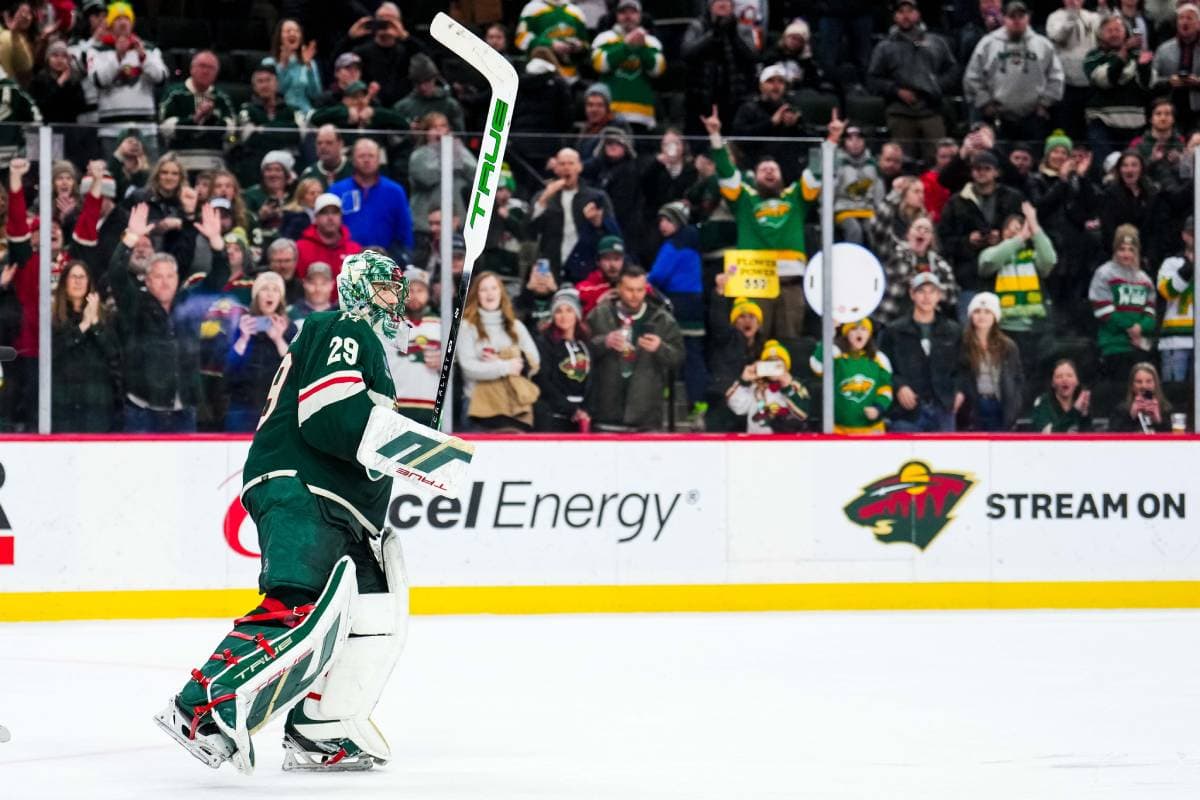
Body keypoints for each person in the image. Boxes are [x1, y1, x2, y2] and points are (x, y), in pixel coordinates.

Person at [157, 251, 415, 772]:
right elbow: (329, 414)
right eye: (387, 287)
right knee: (297, 603)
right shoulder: (344, 326)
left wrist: (414, 434)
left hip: (347, 511)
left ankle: (324, 727)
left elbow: (363, 425)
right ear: (363, 290)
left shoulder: (370, 350)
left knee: (375, 615)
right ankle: (203, 706)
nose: (397, 296)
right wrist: (411, 444)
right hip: (304, 487)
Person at [702, 104, 831, 340]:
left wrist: (829, 141)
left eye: (774, 169)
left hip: (791, 285)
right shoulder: (744, 200)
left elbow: (815, 174)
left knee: (789, 344)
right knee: (752, 343)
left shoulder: (795, 197)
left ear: (782, 176)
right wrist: (715, 137)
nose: (769, 172)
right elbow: (726, 173)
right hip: (756, 282)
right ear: (755, 176)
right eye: (764, 170)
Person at [108, 202, 230, 433]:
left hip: (184, 409)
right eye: (158, 276)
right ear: (147, 280)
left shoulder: (189, 303)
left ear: (177, 278)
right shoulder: (135, 304)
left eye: (170, 276)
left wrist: (216, 242)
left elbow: (219, 277)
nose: (165, 282)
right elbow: (116, 273)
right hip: (143, 410)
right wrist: (131, 237)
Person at [586, 265, 683, 431]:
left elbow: (678, 358)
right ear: (618, 288)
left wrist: (660, 348)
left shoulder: (663, 320)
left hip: (646, 418)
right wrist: (604, 342)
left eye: (640, 290)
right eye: (629, 289)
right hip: (605, 413)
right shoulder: (599, 314)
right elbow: (580, 353)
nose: (635, 295)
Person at [867, 0, 959, 167]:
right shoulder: (885, 47)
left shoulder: (936, 42)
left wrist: (936, 85)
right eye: (901, 12)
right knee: (901, 162)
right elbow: (873, 79)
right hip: (900, 111)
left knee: (941, 161)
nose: (905, 16)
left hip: (931, 109)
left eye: (910, 11)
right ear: (895, 17)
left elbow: (953, 71)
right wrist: (896, 90)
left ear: (918, 14)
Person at [937, 150, 1026, 320]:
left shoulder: (1013, 198)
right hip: (968, 277)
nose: (981, 172)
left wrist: (1001, 238)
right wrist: (967, 241)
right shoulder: (956, 202)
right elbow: (944, 240)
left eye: (986, 168)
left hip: (1006, 275)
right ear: (971, 172)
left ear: (996, 172)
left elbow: (1024, 231)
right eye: (977, 168)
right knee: (970, 330)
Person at [963, 1, 1065, 147]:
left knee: (1031, 159)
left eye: (1021, 16)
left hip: (1033, 116)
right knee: (997, 163)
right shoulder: (988, 43)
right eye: (1012, 16)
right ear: (1004, 18)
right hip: (996, 116)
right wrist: (985, 103)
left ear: (1028, 18)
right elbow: (972, 77)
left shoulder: (1043, 45)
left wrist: (1045, 104)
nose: (1016, 20)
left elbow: (1056, 78)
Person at [977, 202, 1056, 390]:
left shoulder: (1032, 257)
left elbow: (1050, 260)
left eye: (1020, 229)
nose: (1015, 233)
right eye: (1010, 230)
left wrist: (1035, 225)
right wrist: (1019, 238)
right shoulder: (994, 254)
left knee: (1031, 377)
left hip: (1033, 328)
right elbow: (987, 263)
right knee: (1007, 378)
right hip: (1005, 328)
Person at [879, 272, 964, 432]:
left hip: (943, 408)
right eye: (921, 291)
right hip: (907, 411)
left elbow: (963, 367)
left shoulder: (953, 330)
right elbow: (883, 366)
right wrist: (899, 386)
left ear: (939, 295)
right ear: (912, 294)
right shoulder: (894, 330)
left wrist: (959, 391)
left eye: (932, 291)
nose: (927, 297)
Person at [458, 271, 541, 431]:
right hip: (478, 409)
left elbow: (534, 362)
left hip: (513, 407)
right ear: (477, 295)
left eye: (494, 288)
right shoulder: (467, 327)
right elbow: (469, 368)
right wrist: (506, 366)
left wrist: (501, 360)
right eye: (483, 289)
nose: (489, 294)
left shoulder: (517, 326)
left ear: (501, 292)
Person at [529, 147, 619, 282]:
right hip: (550, 267)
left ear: (579, 167)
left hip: (586, 267)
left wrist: (598, 223)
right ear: (556, 168)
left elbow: (614, 235)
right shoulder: (542, 197)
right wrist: (544, 199)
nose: (566, 168)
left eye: (571, 163)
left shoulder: (597, 197)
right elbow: (528, 232)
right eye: (562, 164)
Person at [50, 259, 121, 432]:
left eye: (83, 277)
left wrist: (95, 323)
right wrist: (83, 326)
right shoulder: (53, 316)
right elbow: (54, 352)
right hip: (64, 402)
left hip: (96, 402)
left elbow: (114, 354)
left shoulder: (105, 315)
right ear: (64, 282)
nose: (78, 281)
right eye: (73, 276)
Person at [223, 272, 297, 432]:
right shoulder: (242, 324)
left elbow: (296, 371)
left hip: (277, 408)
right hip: (242, 407)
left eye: (275, 290)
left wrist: (279, 340)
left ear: (281, 298)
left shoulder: (289, 328)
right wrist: (243, 338)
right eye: (264, 288)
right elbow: (228, 371)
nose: (270, 293)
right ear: (256, 295)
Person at [89, 1, 167, 151]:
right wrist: (118, 56)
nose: (123, 22)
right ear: (110, 24)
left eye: (126, 18)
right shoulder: (97, 51)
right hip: (111, 129)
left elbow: (161, 78)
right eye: (118, 19)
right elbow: (98, 80)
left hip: (146, 128)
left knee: (148, 172)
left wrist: (143, 57)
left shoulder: (149, 49)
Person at [1089, 224, 1156, 391]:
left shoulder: (1145, 279)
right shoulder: (1104, 274)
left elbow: (1151, 313)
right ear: (1115, 249)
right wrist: (1131, 327)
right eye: (1122, 249)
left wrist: (1140, 327)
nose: (1126, 254)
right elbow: (1103, 311)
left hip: (1140, 348)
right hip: (1114, 347)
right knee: (1118, 397)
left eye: (1131, 249)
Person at [1083, 13, 1156, 166]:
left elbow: (1148, 85)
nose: (1114, 34)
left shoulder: (1137, 55)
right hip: (1103, 123)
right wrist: (1123, 54)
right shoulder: (1093, 57)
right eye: (1109, 30)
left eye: (1118, 29)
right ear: (1100, 34)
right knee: (1105, 168)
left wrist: (1144, 67)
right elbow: (1105, 80)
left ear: (1126, 32)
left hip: (1134, 124)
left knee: (1133, 168)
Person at [680, 0, 758, 144]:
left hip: (735, 102)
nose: (723, 3)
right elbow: (687, 53)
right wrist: (713, 34)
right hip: (701, 101)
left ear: (733, 6)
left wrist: (733, 34)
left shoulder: (742, 28)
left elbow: (752, 56)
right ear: (710, 5)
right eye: (718, 0)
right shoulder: (698, 26)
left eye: (727, 1)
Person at [329, 139, 413, 263]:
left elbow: (404, 232)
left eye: (371, 156)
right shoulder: (337, 191)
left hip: (384, 262)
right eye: (362, 156)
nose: (366, 160)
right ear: (353, 159)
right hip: (345, 261)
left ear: (379, 159)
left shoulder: (395, 191)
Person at [590, 0, 666, 132]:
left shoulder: (651, 42)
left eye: (633, 12)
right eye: (623, 12)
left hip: (641, 115)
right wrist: (626, 47)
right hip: (611, 114)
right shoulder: (605, 38)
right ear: (617, 16)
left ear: (640, 16)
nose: (628, 16)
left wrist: (642, 48)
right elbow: (600, 65)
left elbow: (657, 70)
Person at [158, 51, 236, 175]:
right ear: (192, 69)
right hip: (180, 162)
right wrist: (195, 119)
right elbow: (166, 128)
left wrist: (212, 118)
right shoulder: (175, 94)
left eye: (211, 68)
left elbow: (232, 133)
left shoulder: (221, 97)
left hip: (214, 162)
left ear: (216, 73)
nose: (205, 71)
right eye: (202, 66)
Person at [809, 319, 893, 435]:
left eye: (864, 329)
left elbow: (885, 389)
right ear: (846, 334)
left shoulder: (879, 359)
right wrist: (828, 336)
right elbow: (817, 366)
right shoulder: (836, 355)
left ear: (869, 334)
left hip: (871, 430)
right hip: (838, 430)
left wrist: (878, 408)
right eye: (854, 329)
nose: (859, 333)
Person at [731, 64, 808, 186]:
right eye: (770, 81)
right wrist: (771, 123)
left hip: (787, 177)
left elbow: (807, 141)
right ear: (761, 86)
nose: (776, 86)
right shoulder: (748, 108)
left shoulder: (791, 110)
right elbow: (739, 138)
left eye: (781, 82)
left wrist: (795, 125)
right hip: (756, 173)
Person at [382, 266, 441, 423]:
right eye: (410, 290)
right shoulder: (387, 325)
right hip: (394, 406)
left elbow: (455, 366)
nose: (414, 296)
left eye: (420, 290)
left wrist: (443, 362)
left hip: (431, 406)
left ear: (428, 294)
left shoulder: (442, 325)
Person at [958, 291, 1024, 430]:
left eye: (987, 311)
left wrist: (1014, 406)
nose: (982, 316)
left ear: (995, 316)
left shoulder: (1008, 346)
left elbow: (1017, 379)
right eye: (977, 311)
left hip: (1000, 405)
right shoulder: (962, 344)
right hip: (974, 407)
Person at [877, 214, 959, 326]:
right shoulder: (895, 253)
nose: (922, 232)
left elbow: (953, 294)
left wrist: (931, 287)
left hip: (926, 323)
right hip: (892, 320)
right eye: (918, 228)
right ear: (908, 234)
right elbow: (880, 231)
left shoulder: (940, 264)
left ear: (931, 238)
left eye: (927, 230)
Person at [236, 60, 303, 189]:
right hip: (256, 167)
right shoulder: (246, 110)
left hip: (289, 166)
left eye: (268, 80)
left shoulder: (292, 110)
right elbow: (249, 137)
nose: (264, 85)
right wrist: (284, 130)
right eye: (260, 81)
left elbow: (299, 134)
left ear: (276, 83)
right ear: (254, 86)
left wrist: (262, 129)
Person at [407, 112, 477, 236]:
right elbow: (427, 178)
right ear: (426, 132)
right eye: (434, 127)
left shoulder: (458, 150)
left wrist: (455, 154)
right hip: (425, 223)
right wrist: (449, 156)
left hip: (457, 220)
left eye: (443, 126)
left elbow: (475, 173)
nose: (439, 130)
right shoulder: (419, 155)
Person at [533, 287, 592, 432]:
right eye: (559, 311)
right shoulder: (544, 343)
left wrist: (585, 410)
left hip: (581, 416)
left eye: (569, 310)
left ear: (577, 314)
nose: (564, 316)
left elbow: (593, 380)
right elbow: (543, 381)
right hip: (553, 418)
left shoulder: (585, 343)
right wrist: (570, 409)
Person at [346, 2, 427, 107]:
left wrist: (405, 37)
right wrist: (349, 39)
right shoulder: (362, 51)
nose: (385, 24)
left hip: (403, 106)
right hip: (371, 106)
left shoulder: (408, 50)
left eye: (390, 20)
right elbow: (337, 65)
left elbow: (427, 60)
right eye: (381, 19)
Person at [726, 339, 811, 434]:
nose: (773, 367)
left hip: (786, 445)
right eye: (769, 362)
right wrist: (743, 381)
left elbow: (803, 414)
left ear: (786, 366)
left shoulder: (796, 385)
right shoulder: (756, 387)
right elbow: (738, 408)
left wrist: (787, 387)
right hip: (757, 444)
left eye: (778, 363)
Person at [1047, 0, 1103, 139]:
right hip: (1066, 85)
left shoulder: (1094, 17)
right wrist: (1072, 17)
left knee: (1090, 129)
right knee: (1067, 128)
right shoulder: (1055, 17)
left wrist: (1103, 10)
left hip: (1091, 84)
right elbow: (1058, 36)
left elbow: (1104, 37)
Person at [1156, 216, 1194, 392]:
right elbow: (1167, 292)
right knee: (1174, 396)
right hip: (1176, 342)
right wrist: (1189, 267)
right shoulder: (1171, 263)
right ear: (1185, 235)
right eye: (1193, 233)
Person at [296, 193, 363, 291]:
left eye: (335, 212)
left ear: (341, 216)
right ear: (316, 218)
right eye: (324, 213)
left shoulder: (355, 250)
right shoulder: (300, 248)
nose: (330, 218)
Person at [1152, 3, 1200, 132]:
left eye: (1189, 18)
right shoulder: (1163, 49)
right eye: (1181, 18)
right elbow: (1152, 80)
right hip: (1170, 110)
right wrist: (1168, 82)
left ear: (1198, 24)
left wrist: (1198, 82)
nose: (1185, 22)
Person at [515, 0, 589, 83]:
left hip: (571, 75)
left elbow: (586, 45)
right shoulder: (532, 8)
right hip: (539, 72)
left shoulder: (576, 11)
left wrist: (578, 46)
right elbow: (521, 39)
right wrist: (550, 44)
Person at [271, 18, 322, 115]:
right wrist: (285, 66)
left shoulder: (309, 62)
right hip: (281, 113)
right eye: (288, 31)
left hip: (305, 113)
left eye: (296, 31)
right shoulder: (270, 63)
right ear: (279, 37)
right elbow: (279, 92)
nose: (292, 34)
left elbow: (316, 95)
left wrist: (308, 67)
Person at [1030, 358, 1093, 432]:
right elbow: (1048, 434)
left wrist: (1085, 415)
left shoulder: (1082, 402)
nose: (1064, 379)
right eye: (1059, 376)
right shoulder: (1043, 403)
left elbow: (1088, 437)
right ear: (1053, 383)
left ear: (1077, 381)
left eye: (1069, 375)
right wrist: (1075, 411)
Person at [1109, 361, 1172, 432]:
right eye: (1139, 382)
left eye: (1148, 381)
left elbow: (1177, 439)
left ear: (1155, 384)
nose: (1144, 386)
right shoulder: (1120, 411)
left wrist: (1159, 421)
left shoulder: (1166, 409)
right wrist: (1130, 416)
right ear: (1132, 385)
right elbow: (1112, 439)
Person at [287, 261, 334, 327]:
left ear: (332, 284)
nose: (318, 289)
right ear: (304, 283)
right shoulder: (291, 313)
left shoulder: (343, 314)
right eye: (313, 283)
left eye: (323, 283)